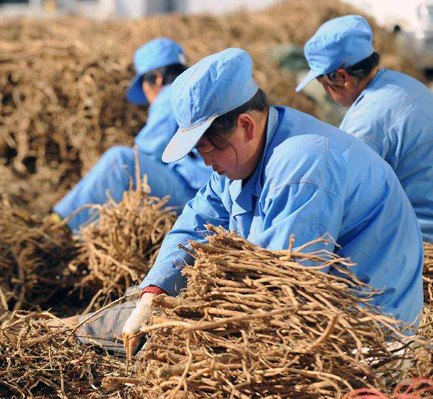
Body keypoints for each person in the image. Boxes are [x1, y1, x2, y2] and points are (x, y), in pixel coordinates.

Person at [70, 48, 423, 358]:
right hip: (309, 317)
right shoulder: (244, 155)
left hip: (365, 338)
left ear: (245, 125)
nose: (204, 161)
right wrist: (154, 292)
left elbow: (279, 289)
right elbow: (197, 218)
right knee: (128, 321)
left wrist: (190, 318)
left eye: (207, 147)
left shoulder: (302, 166)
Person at [296, 15, 433, 243]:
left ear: (342, 77)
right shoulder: (404, 84)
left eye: (323, 84)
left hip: (419, 238)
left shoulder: (367, 124)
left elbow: (344, 201)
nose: (327, 94)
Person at [52, 38, 212, 232]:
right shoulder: (195, 93)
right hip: (207, 192)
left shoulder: (171, 95)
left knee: (120, 160)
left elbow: (146, 152)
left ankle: (61, 223)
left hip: (192, 195)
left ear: (157, 78)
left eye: (144, 83)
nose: (145, 95)